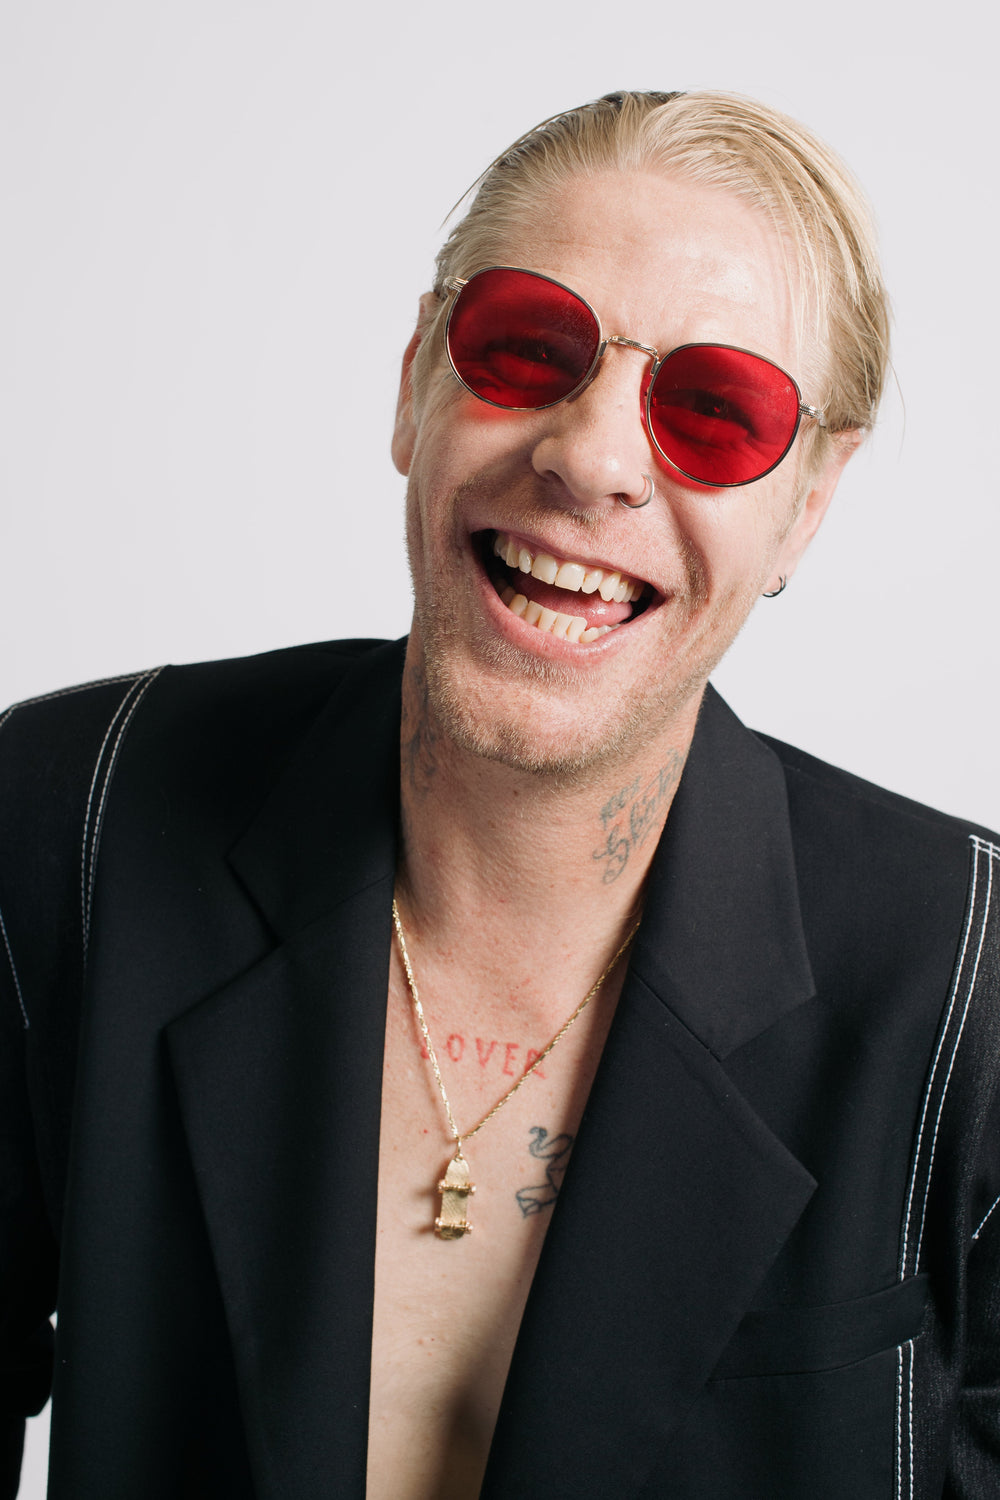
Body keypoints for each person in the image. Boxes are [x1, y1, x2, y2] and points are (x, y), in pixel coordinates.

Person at [1, 89, 997, 1500]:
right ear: (416, 379)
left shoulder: (972, 982)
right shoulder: (67, 824)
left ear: (809, 506)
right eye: (526, 346)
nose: (591, 458)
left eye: (716, 412)